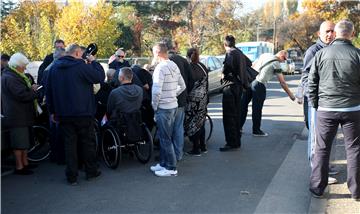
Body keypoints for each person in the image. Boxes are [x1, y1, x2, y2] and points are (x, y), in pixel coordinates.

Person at [308, 20, 360, 201]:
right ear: (352, 34)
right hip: (353, 109)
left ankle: (317, 188)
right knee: (354, 149)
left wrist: (316, 104)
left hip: (326, 109)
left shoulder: (321, 54)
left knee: (322, 148)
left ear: (336, 34)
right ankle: (356, 190)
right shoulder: (357, 55)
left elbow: (312, 82)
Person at [46, 43, 105, 185]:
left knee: (69, 145)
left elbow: (49, 91)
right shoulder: (80, 66)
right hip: (83, 111)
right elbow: (99, 77)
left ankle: (71, 176)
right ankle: (91, 170)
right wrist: (94, 62)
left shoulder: (54, 68)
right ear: (78, 53)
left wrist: (52, 111)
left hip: (63, 113)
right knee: (87, 142)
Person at [298, 21, 338, 184]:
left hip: (330, 103)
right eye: (327, 31)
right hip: (317, 103)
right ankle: (318, 175)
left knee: (327, 138)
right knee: (316, 140)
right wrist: (315, 100)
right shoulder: (313, 51)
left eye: (332, 31)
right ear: (319, 34)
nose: (330, 34)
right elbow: (306, 78)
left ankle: (325, 167)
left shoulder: (333, 49)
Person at [149, 42, 186, 177]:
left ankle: (171, 168)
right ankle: (164, 163)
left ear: (157, 53)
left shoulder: (160, 68)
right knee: (167, 137)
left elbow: (156, 91)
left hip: (164, 108)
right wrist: (172, 95)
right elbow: (182, 86)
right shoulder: (173, 65)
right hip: (173, 106)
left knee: (165, 139)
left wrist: (155, 106)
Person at [239, 50, 295, 137]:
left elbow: (253, 65)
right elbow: (282, 82)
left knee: (243, 105)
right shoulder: (276, 64)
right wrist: (291, 95)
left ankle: (238, 127)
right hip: (259, 85)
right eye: (284, 58)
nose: (284, 61)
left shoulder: (265, 55)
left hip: (250, 81)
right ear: (281, 55)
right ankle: (256, 130)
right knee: (257, 108)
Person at [1, 53, 40, 175]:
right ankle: (20, 166)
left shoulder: (12, 75)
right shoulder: (10, 78)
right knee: (19, 143)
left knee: (23, 142)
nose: (25, 68)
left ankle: (25, 163)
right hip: (17, 116)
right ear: (17, 66)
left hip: (20, 115)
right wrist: (34, 91)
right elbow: (22, 95)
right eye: (23, 66)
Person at [162, 38, 191, 161]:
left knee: (167, 130)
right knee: (179, 127)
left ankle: (169, 156)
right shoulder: (183, 61)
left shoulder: (166, 62)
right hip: (181, 98)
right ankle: (178, 154)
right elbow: (191, 78)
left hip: (169, 99)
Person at [219, 35, 248, 152]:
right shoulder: (239, 53)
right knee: (236, 114)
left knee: (229, 116)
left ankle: (231, 142)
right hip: (239, 86)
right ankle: (236, 141)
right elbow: (249, 63)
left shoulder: (230, 53)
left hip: (230, 86)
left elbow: (227, 69)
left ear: (225, 44)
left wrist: (223, 73)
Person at [184, 48, 209, 156]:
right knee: (201, 121)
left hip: (193, 99)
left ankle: (195, 148)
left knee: (192, 123)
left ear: (188, 56)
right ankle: (203, 146)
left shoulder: (188, 67)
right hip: (203, 97)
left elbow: (187, 84)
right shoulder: (202, 66)